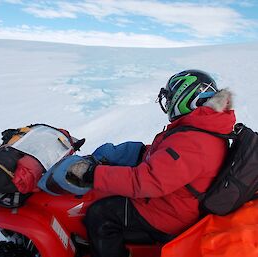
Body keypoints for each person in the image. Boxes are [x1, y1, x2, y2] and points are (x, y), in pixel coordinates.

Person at [67, 69, 236, 257]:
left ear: (188, 98)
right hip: (176, 199)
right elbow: (168, 159)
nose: (169, 103)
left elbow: (147, 182)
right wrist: (133, 152)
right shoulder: (201, 128)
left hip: (170, 213)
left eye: (171, 98)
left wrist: (93, 174)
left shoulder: (195, 141)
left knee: (100, 214)